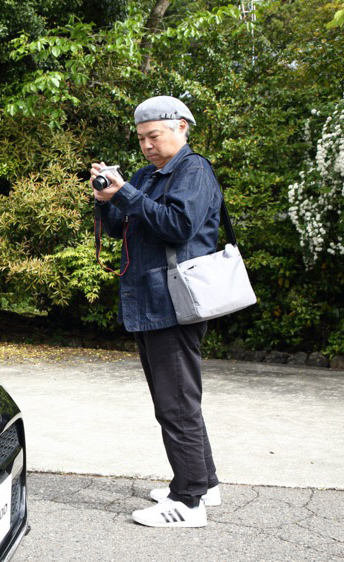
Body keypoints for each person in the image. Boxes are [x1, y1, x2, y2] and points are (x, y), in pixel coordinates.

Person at [90, 96, 222, 528]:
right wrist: (107, 196)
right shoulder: (148, 175)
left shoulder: (193, 170)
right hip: (149, 300)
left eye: (154, 136)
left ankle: (188, 502)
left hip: (174, 303)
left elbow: (178, 226)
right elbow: (118, 229)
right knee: (180, 400)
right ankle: (205, 482)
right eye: (142, 138)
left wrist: (127, 192)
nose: (146, 145)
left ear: (182, 127)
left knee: (175, 405)